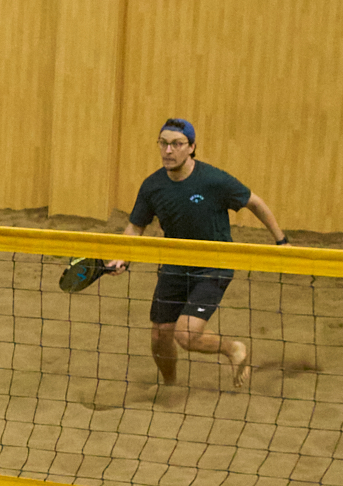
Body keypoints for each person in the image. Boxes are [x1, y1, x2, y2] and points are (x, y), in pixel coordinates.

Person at [115, 118, 287, 391]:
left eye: (176, 144)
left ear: (191, 147)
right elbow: (135, 227)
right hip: (175, 266)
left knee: (185, 334)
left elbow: (255, 202)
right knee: (160, 335)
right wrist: (121, 256)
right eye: (163, 143)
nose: (168, 150)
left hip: (213, 265)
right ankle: (170, 386)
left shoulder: (213, 180)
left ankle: (233, 349)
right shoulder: (152, 186)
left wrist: (282, 242)